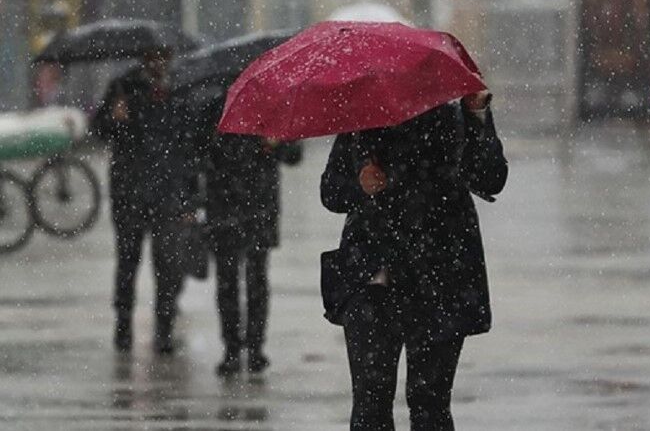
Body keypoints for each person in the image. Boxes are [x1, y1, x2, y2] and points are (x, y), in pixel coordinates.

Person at [320, 90, 508, 430]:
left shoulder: (455, 118)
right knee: (370, 401)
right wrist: (360, 184)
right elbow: (331, 192)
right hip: (372, 279)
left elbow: (490, 179)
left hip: (440, 277)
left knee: (430, 402)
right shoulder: (360, 123)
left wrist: (477, 114)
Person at [91, 47, 194, 354]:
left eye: (164, 56)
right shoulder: (123, 86)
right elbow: (98, 130)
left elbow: (189, 145)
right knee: (128, 263)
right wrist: (114, 118)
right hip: (129, 191)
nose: (159, 62)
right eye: (154, 57)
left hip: (167, 193)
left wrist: (188, 197)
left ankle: (164, 329)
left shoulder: (181, 89)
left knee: (168, 265)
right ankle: (123, 326)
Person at [195, 95, 303, 376]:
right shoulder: (216, 108)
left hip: (260, 207)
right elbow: (198, 151)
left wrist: (276, 143)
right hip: (224, 207)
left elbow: (294, 155)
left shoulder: (275, 108)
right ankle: (231, 349)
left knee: (257, 281)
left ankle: (255, 348)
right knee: (227, 282)